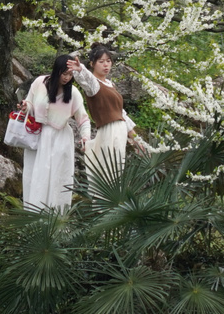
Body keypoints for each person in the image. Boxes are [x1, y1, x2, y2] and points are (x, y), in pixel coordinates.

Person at [21, 53, 90, 211]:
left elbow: (83, 119)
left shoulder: (73, 93)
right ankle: (33, 214)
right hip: (37, 136)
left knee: (56, 179)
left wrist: (85, 136)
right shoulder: (39, 82)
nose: (67, 78)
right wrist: (26, 107)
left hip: (59, 140)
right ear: (56, 70)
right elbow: (30, 102)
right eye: (64, 73)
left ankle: (54, 216)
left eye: (70, 75)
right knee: (34, 175)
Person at [70, 45, 137, 178]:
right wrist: (80, 69)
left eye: (108, 61)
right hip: (108, 129)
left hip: (120, 129)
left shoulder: (111, 84)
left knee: (117, 170)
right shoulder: (94, 86)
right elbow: (87, 80)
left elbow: (121, 113)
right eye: (101, 61)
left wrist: (135, 137)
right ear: (92, 64)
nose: (106, 65)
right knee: (108, 169)